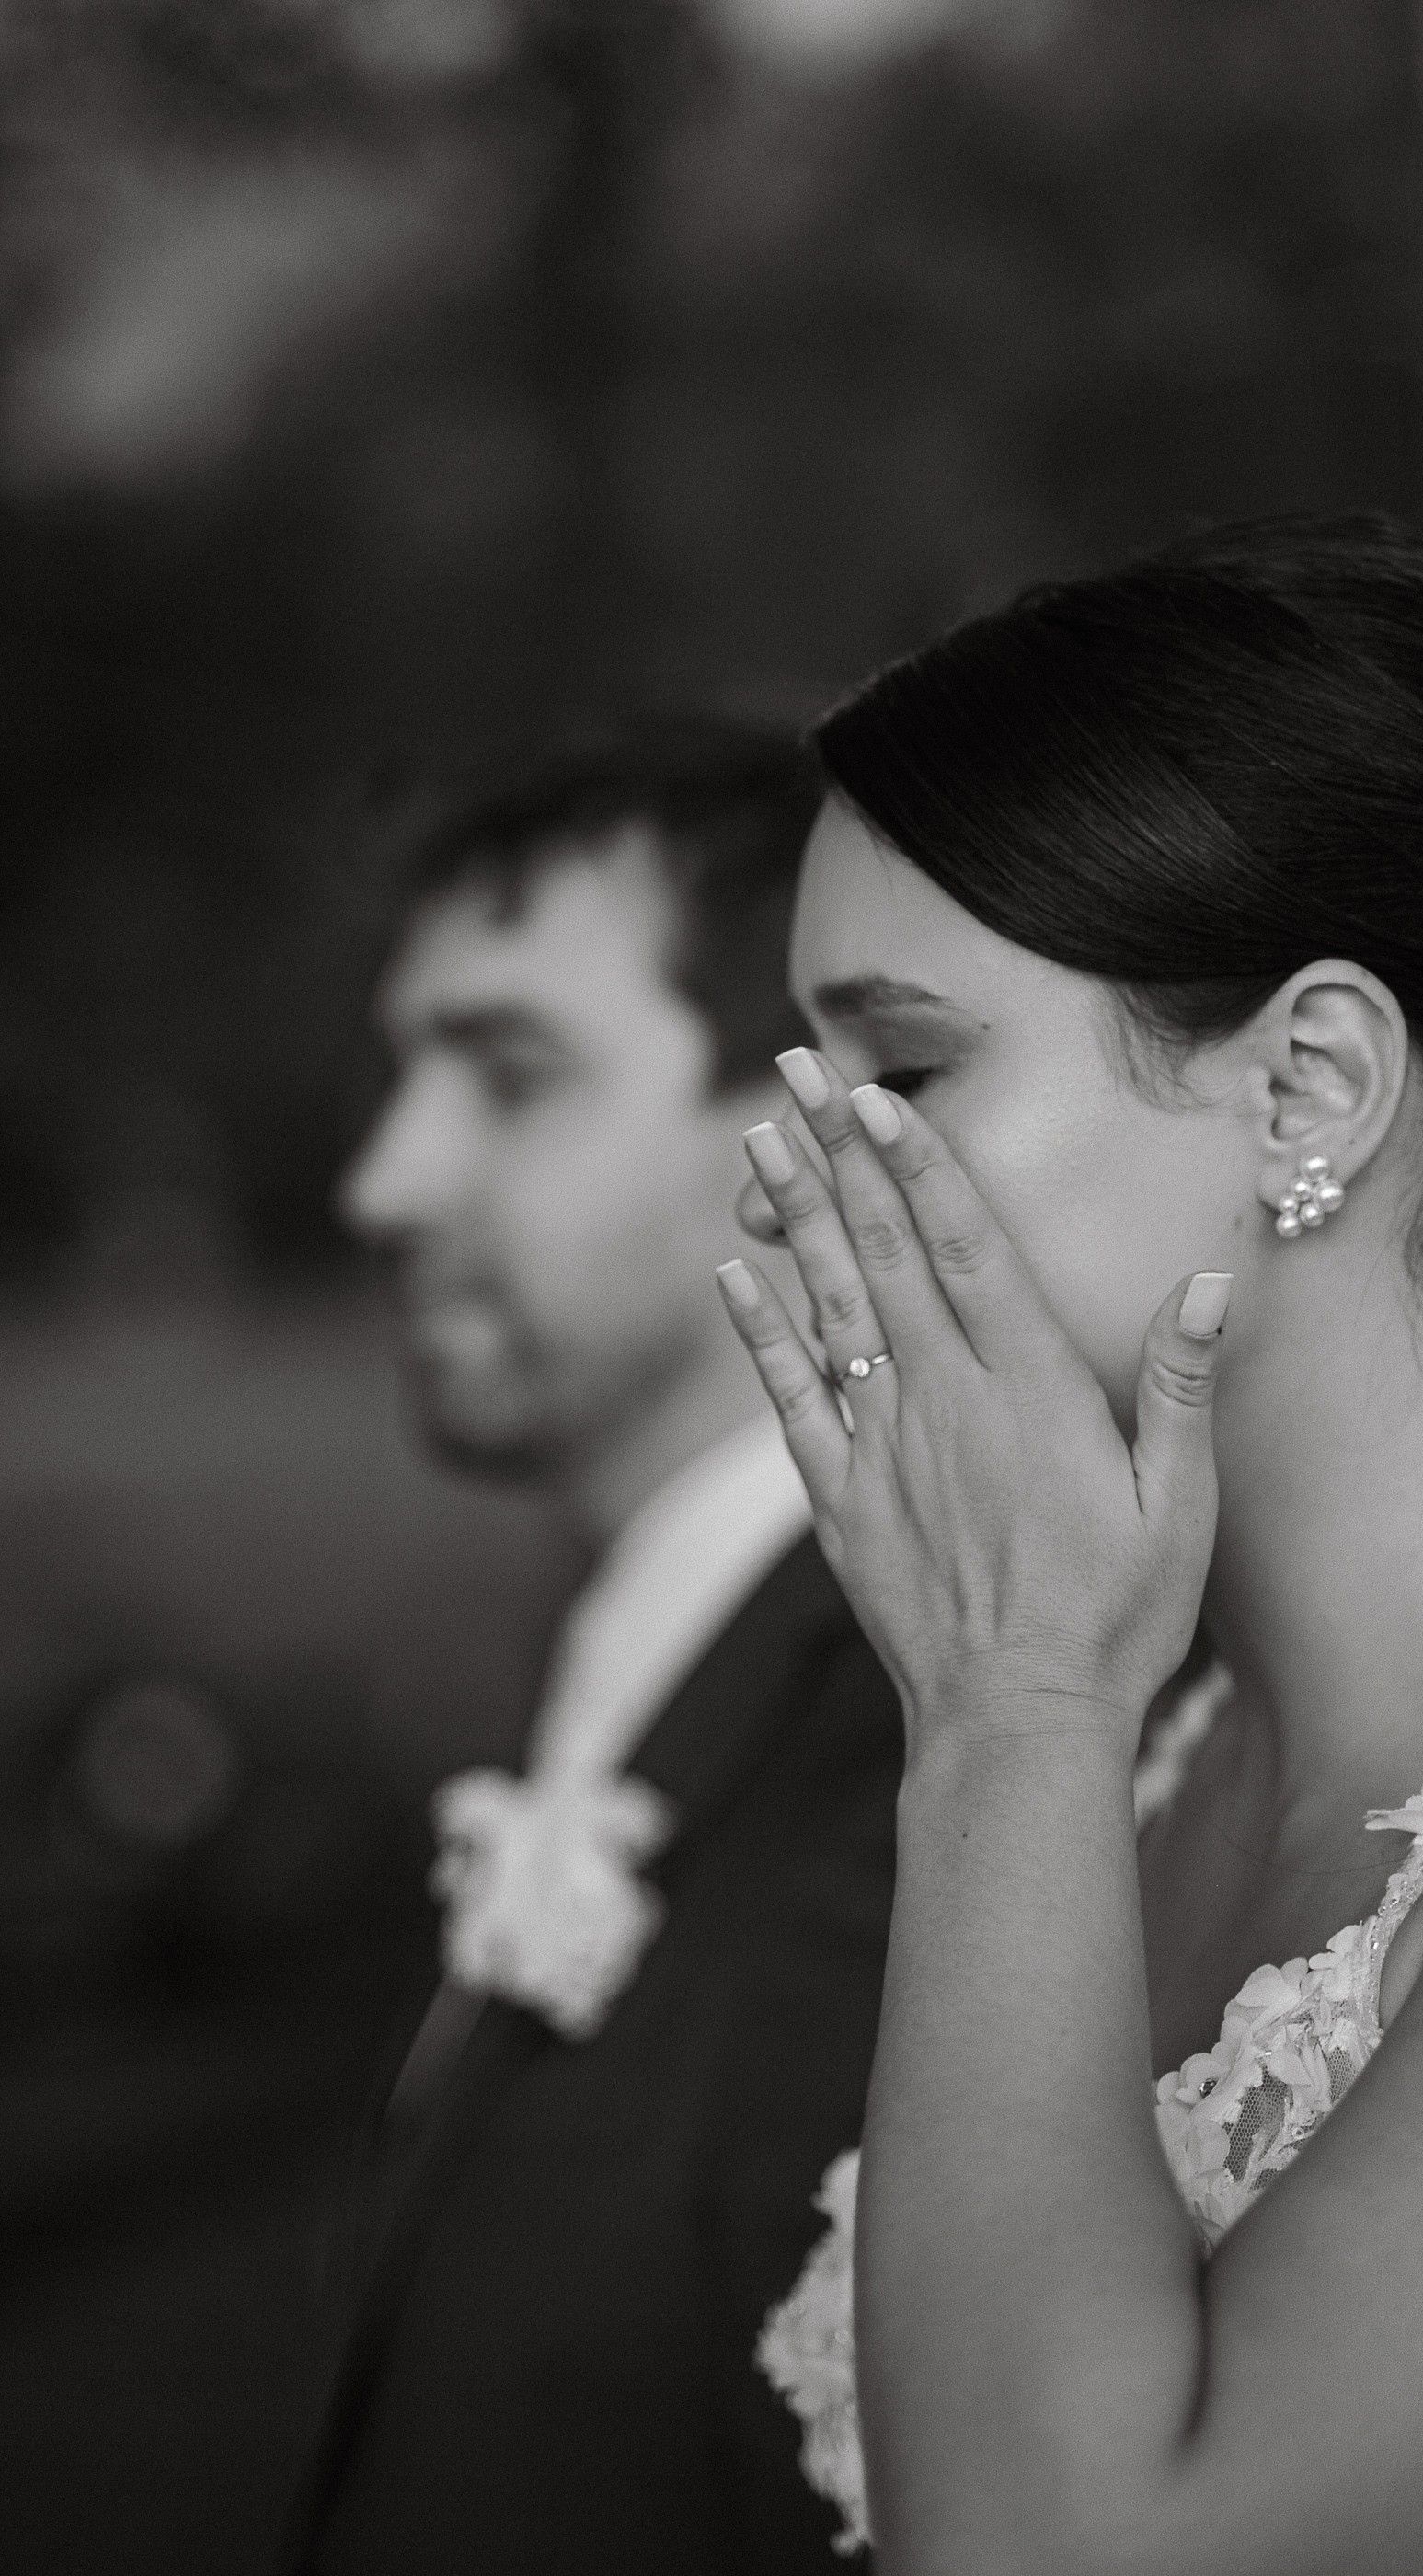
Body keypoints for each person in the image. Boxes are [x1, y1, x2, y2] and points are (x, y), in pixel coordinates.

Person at [715, 519, 1423, 2576]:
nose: (787, 1174)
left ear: (1308, 1086)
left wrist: (1007, 1712)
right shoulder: (1173, 1752)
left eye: (899, 1067)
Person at [279, 721, 904, 2576]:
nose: (385, 1180)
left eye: (509, 1075)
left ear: (807, 1114)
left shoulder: (903, 1755)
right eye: (404, 1073)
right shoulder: (671, 1656)